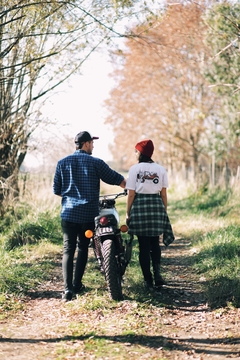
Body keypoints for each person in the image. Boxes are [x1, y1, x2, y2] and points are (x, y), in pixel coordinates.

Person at [53, 131, 126, 301]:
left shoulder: (62, 163)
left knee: (67, 250)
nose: (93, 146)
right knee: (82, 247)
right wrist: (127, 186)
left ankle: (67, 290)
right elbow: (114, 177)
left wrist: (70, 196)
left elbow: (56, 190)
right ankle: (77, 284)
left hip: (69, 213)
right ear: (85, 144)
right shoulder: (95, 163)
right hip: (87, 214)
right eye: (92, 143)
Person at [125, 139, 174, 291]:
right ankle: (158, 274)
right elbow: (163, 194)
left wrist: (128, 212)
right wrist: (163, 211)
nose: (134, 154)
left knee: (143, 246)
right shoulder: (160, 169)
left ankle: (148, 280)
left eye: (135, 151)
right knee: (155, 243)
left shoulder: (134, 169)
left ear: (140, 153)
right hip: (156, 206)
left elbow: (131, 194)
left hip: (140, 207)